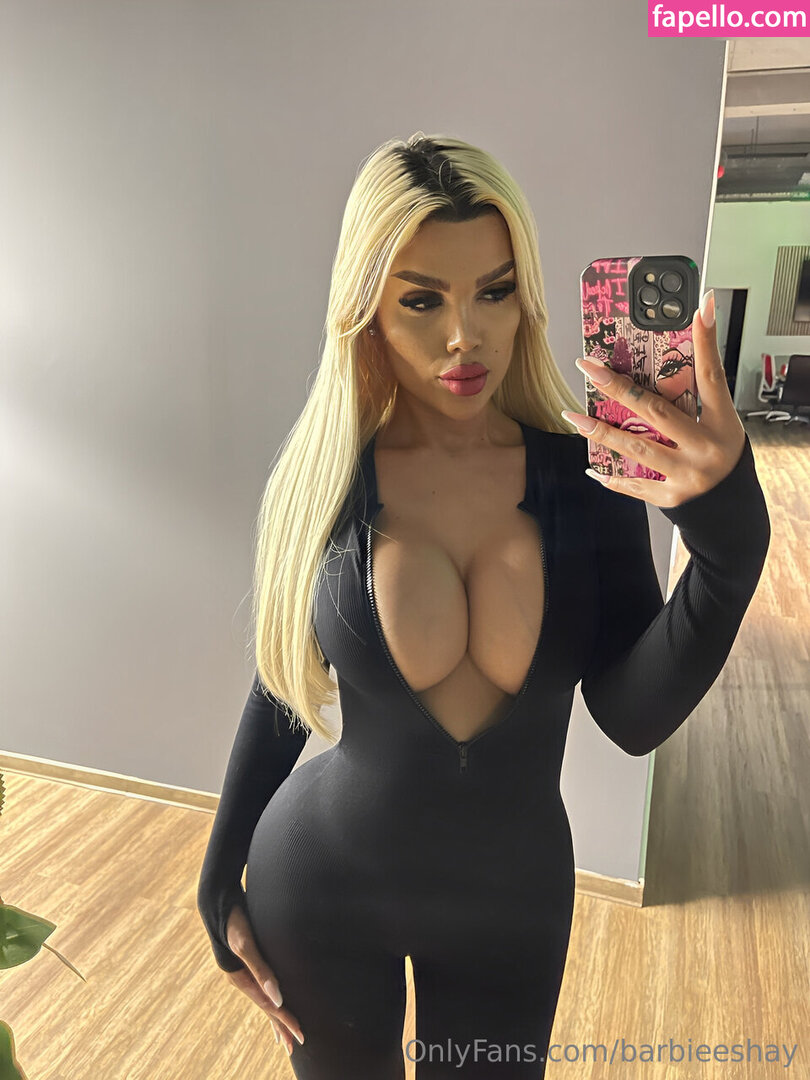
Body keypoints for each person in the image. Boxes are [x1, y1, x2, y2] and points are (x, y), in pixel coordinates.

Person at [197, 132, 771, 1079]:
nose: (466, 336)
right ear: (366, 310)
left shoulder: (587, 483)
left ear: (526, 298)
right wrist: (220, 871)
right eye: (423, 300)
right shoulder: (327, 482)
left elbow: (632, 717)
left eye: (494, 292)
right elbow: (281, 683)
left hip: (513, 907)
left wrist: (728, 548)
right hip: (319, 886)